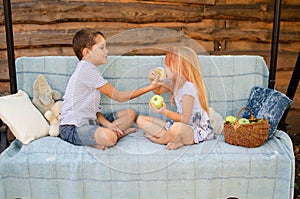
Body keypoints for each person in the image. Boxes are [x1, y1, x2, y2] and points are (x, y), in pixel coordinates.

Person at [59, 29, 159, 150]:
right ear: (86, 52)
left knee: (130, 113)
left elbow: (94, 112)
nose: (106, 51)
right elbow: (119, 97)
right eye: (102, 48)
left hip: (92, 121)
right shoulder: (86, 70)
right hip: (72, 128)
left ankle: (108, 134)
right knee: (110, 137)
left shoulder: (90, 70)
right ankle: (112, 136)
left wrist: (108, 124)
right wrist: (150, 87)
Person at [136, 46, 215, 150]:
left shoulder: (188, 88)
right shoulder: (175, 84)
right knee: (141, 119)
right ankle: (176, 139)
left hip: (194, 130)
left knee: (176, 128)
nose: (165, 68)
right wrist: (152, 80)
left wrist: (164, 112)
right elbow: (158, 91)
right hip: (178, 125)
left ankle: (160, 140)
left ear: (180, 68)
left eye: (168, 66)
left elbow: (185, 119)